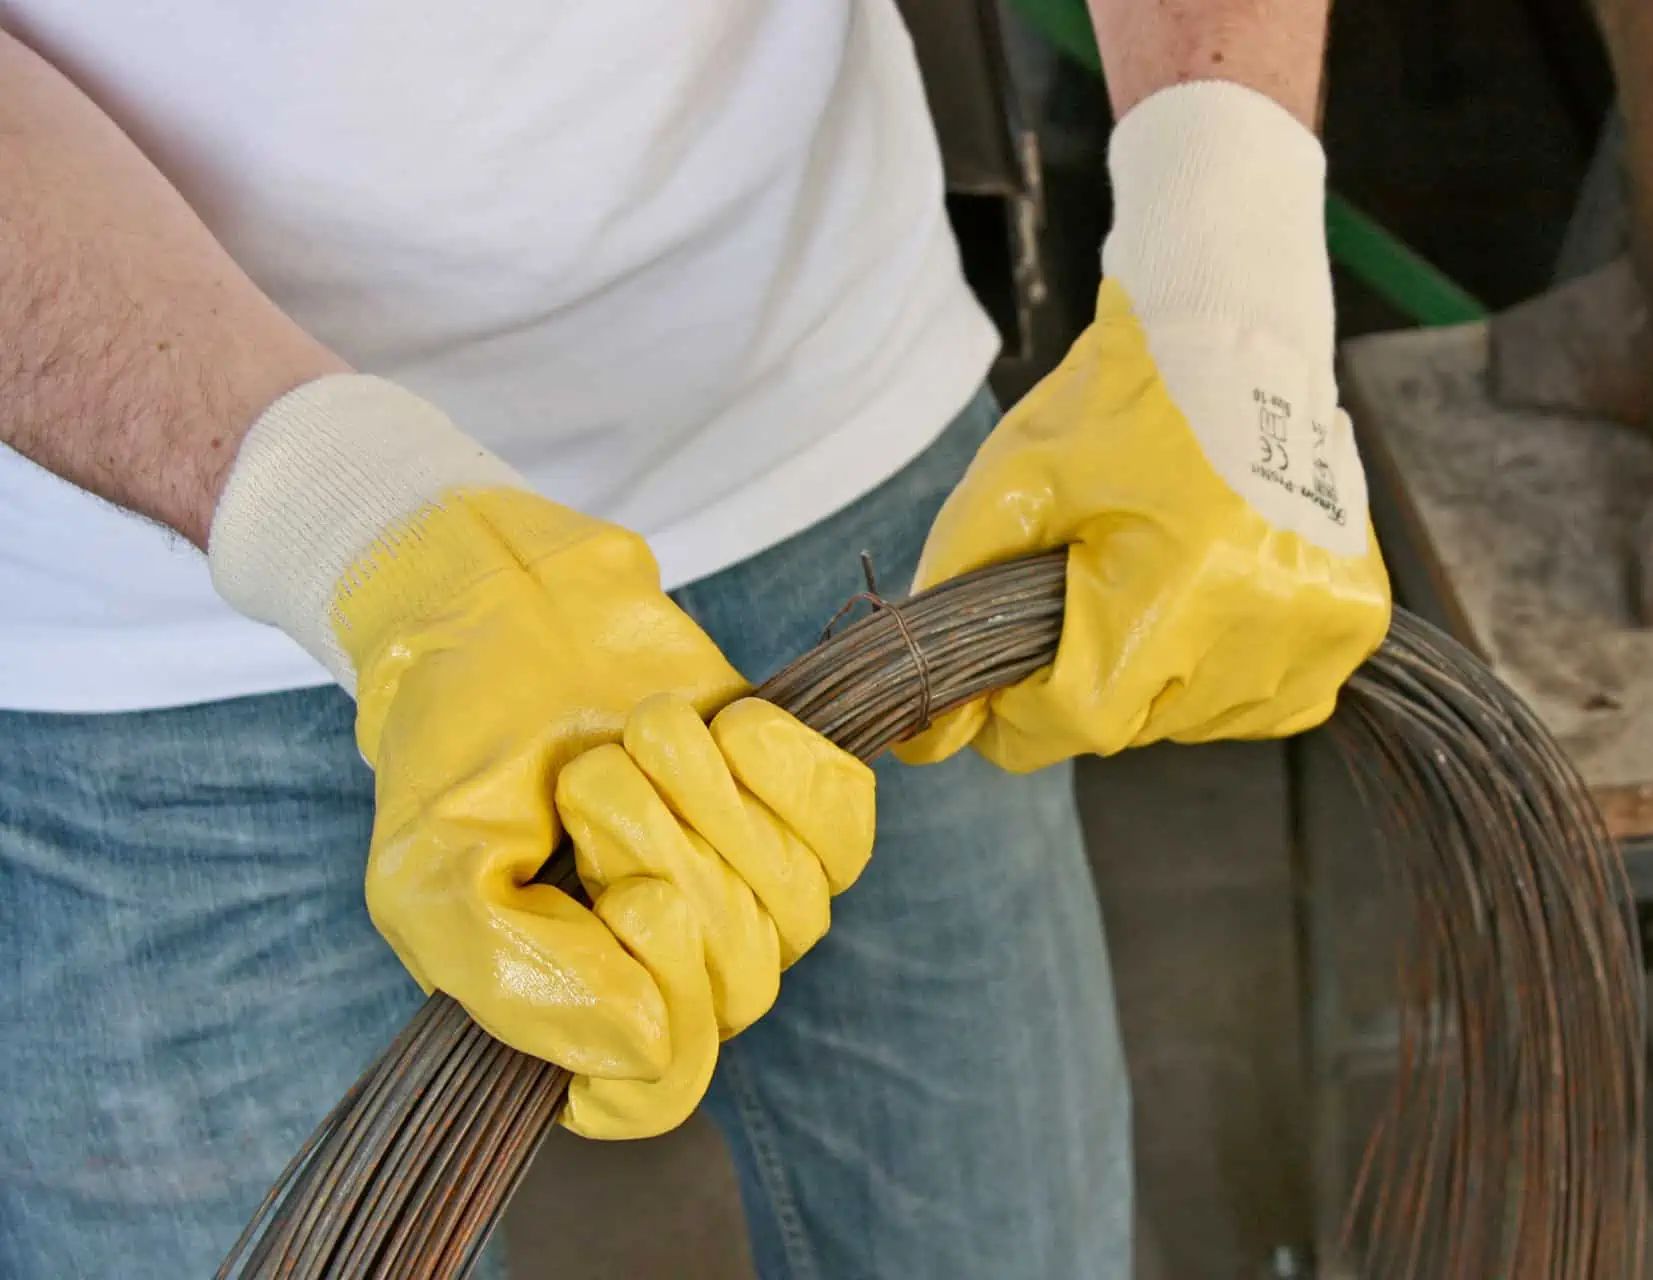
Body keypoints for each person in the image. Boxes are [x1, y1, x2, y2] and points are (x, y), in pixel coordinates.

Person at [0, 1, 1388, 1275]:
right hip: (137, 640)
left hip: (836, 461)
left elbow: (1227, 229)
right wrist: (348, 519)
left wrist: (1228, 254)